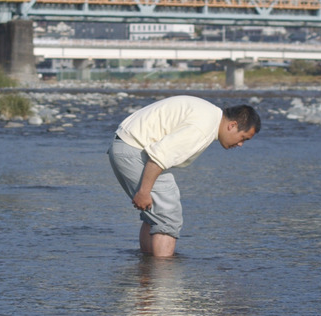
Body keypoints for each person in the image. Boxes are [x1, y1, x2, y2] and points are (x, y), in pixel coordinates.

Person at [107, 95, 261, 257]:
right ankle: (162, 277)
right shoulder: (203, 127)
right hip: (134, 149)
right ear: (232, 125)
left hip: (124, 145)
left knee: (154, 214)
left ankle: (146, 271)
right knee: (168, 217)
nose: (240, 144)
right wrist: (144, 191)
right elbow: (160, 156)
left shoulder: (209, 114)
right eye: (243, 138)